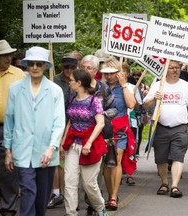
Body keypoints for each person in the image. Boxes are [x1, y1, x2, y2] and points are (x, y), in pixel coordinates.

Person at [3, 46, 66, 216]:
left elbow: (59, 123)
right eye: (31, 63)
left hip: (46, 150)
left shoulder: (55, 90)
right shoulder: (15, 88)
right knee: (28, 190)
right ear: (27, 65)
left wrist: (51, 147)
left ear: (45, 66)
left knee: (42, 197)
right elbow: (9, 119)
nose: (35, 67)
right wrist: (8, 150)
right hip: (22, 149)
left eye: (39, 63)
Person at [143, 60, 188, 198]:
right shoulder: (158, 85)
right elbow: (146, 105)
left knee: (178, 156)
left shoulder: (186, 86)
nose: (174, 70)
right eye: (171, 68)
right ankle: (164, 183)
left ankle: (175, 186)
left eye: (177, 68)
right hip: (160, 127)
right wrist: (154, 97)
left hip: (180, 128)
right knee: (161, 158)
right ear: (165, 70)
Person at [61, 69, 108, 216]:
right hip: (73, 145)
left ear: (79, 83)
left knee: (88, 184)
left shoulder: (94, 101)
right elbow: (70, 121)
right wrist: (63, 143)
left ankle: (100, 208)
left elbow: (100, 123)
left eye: (71, 80)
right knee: (69, 182)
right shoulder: (71, 99)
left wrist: (88, 143)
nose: (69, 82)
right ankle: (71, 213)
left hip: (91, 145)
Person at [80, 54, 117, 216]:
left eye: (89, 68)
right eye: (83, 67)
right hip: (79, 134)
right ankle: (75, 205)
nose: (85, 70)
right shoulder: (76, 86)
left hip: (99, 134)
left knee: (95, 171)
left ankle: (93, 205)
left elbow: (114, 108)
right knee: (80, 174)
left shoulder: (103, 87)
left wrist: (100, 115)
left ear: (95, 70)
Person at [101, 56, 137, 211]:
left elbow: (131, 104)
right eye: (106, 73)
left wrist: (123, 85)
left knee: (116, 159)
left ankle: (114, 197)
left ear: (118, 72)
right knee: (107, 164)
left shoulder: (125, 87)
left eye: (112, 73)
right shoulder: (100, 87)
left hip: (120, 127)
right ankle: (110, 194)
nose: (109, 76)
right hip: (104, 127)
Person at [0, 39, 25, 216]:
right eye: (4, 55)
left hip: (9, 128)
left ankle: (8, 209)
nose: (8, 58)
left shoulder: (19, 75)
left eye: (10, 54)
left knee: (8, 170)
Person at [47, 56, 78, 209]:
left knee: (70, 161)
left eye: (72, 68)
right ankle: (57, 193)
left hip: (74, 124)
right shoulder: (54, 81)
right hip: (57, 122)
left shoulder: (78, 80)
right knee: (56, 158)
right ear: (61, 67)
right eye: (66, 68)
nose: (69, 71)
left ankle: (70, 194)